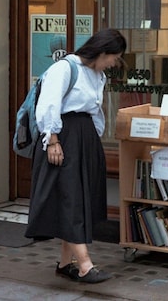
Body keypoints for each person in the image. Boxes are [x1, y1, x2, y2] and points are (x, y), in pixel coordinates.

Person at [25, 29, 127, 284]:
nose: (115, 63)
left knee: (78, 199)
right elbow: (49, 103)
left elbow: (94, 110)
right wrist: (53, 141)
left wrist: (94, 141)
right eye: (114, 57)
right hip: (63, 136)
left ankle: (64, 264)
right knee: (69, 198)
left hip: (85, 139)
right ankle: (84, 265)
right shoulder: (65, 68)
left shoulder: (98, 74)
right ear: (102, 52)